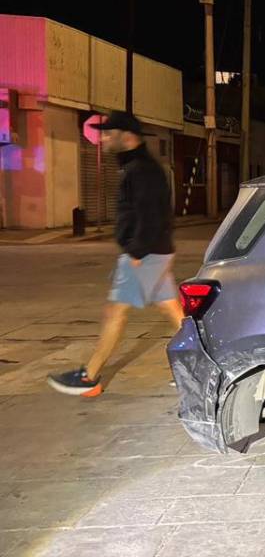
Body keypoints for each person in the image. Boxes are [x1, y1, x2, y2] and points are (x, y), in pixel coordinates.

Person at [48, 112, 182, 396]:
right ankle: (212, 366)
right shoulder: (137, 166)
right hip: (153, 252)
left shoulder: (141, 170)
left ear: (127, 136)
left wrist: (136, 251)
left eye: (109, 133)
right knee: (174, 311)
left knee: (114, 313)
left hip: (145, 254)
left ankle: (90, 378)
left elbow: (153, 215)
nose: (104, 138)